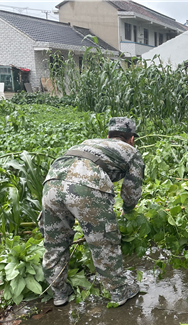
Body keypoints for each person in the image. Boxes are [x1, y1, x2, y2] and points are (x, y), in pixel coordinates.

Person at [39, 117, 145, 307]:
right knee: (104, 242)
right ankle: (118, 291)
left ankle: (59, 293)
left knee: (55, 243)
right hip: (86, 184)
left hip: (51, 183)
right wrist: (128, 211)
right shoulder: (131, 151)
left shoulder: (88, 143)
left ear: (108, 136)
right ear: (131, 139)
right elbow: (132, 190)